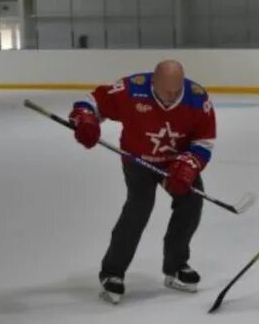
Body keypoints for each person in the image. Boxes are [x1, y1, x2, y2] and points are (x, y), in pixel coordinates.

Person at [69, 60, 216, 303]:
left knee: (191, 202)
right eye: (166, 89)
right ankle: (113, 272)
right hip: (138, 160)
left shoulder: (197, 99)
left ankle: (176, 265)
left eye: (176, 89)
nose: (171, 96)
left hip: (175, 162)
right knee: (139, 207)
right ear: (153, 82)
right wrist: (85, 119)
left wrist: (189, 168)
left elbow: (204, 141)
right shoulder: (131, 89)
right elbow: (93, 102)